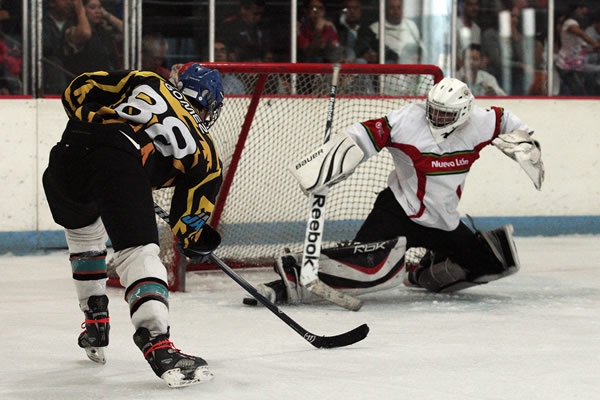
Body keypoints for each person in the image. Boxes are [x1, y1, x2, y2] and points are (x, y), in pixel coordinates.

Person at [254, 77, 544, 305]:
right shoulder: (408, 119)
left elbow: (507, 121)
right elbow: (363, 134)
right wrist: (328, 163)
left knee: (491, 264)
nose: (434, 117)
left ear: (463, 114)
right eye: (433, 109)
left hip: (442, 220)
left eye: (444, 114)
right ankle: (285, 282)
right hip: (396, 214)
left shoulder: (480, 122)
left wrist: (524, 145)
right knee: (361, 269)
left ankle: (422, 273)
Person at [42, 63, 225, 387]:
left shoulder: (146, 80)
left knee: (83, 230)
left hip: (69, 150)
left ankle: (95, 321)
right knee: (138, 252)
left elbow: (78, 88)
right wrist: (197, 241)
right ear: (210, 103)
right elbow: (187, 228)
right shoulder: (207, 153)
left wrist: (95, 131)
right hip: (120, 160)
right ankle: (159, 347)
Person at [63, 0, 123, 77]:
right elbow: (85, 33)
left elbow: (128, 31)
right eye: (93, 7)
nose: (97, 11)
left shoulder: (102, 31)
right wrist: (79, 9)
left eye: (99, 7)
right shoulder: (72, 30)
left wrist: (105, 14)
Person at [355, 0, 422, 65]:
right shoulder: (375, 28)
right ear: (385, 10)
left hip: (413, 66)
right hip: (390, 67)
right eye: (392, 8)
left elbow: (421, 47)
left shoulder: (411, 25)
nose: (396, 12)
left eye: (399, 7)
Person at [555, 3, 600, 95]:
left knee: (575, 92)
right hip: (566, 66)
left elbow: (578, 49)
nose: (584, 11)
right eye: (581, 9)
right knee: (578, 93)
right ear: (575, 10)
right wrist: (594, 43)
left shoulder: (575, 24)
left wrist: (592, 50)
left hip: (575, 66)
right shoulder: (570, 23)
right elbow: (580, 34)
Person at [42, 0, 75, 95]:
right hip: (50, 83)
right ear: (52, 2)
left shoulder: (76, 23)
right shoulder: (39, 23)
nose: (69, 2)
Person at [457, 0, 482, 68]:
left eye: (476, 5)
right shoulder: (454, 26)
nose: (474, 8)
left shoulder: (477, 29)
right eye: (470, 5)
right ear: (463, 6)